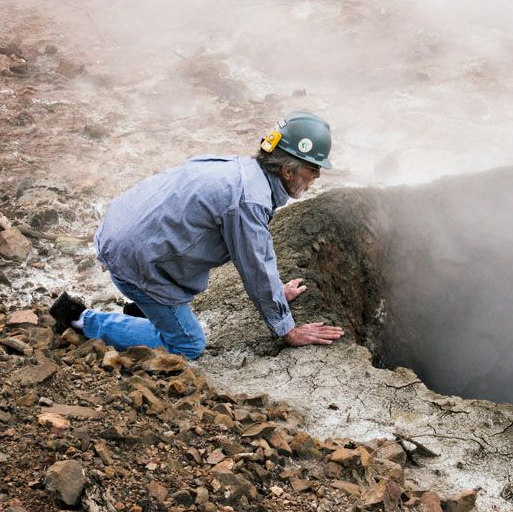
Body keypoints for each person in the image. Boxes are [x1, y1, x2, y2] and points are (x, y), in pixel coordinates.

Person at [50, 112, 345, 358]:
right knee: (188, 344)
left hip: (124, 238)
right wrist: (287, 329)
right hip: (135, 261)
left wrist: (274, 293)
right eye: (313, 169)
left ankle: (143, 309)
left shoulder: (240, 170)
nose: (316, 178)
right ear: (287, 171)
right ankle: (81, 319)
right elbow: (255, 265)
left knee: (175, 304)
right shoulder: (249, 200)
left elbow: (256, 255)